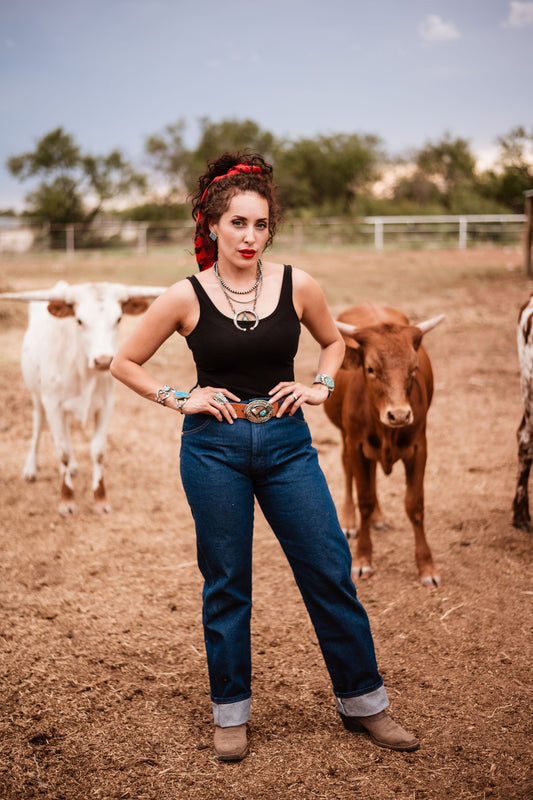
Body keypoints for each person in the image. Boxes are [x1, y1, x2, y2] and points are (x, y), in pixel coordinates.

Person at [110, 152, 419, 761]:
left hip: (286, 446)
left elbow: (334, 343)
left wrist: (319, 386)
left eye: (260, 225)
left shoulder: (297, 285)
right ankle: (231, 713)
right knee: (227, 582)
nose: (250, 237)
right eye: (237, 224)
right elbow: (124, 362)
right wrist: (182, 397)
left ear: (271, 227)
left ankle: (365, 704)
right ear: (213, 226)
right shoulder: (185, 296)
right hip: (213, 450)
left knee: (329, 568)